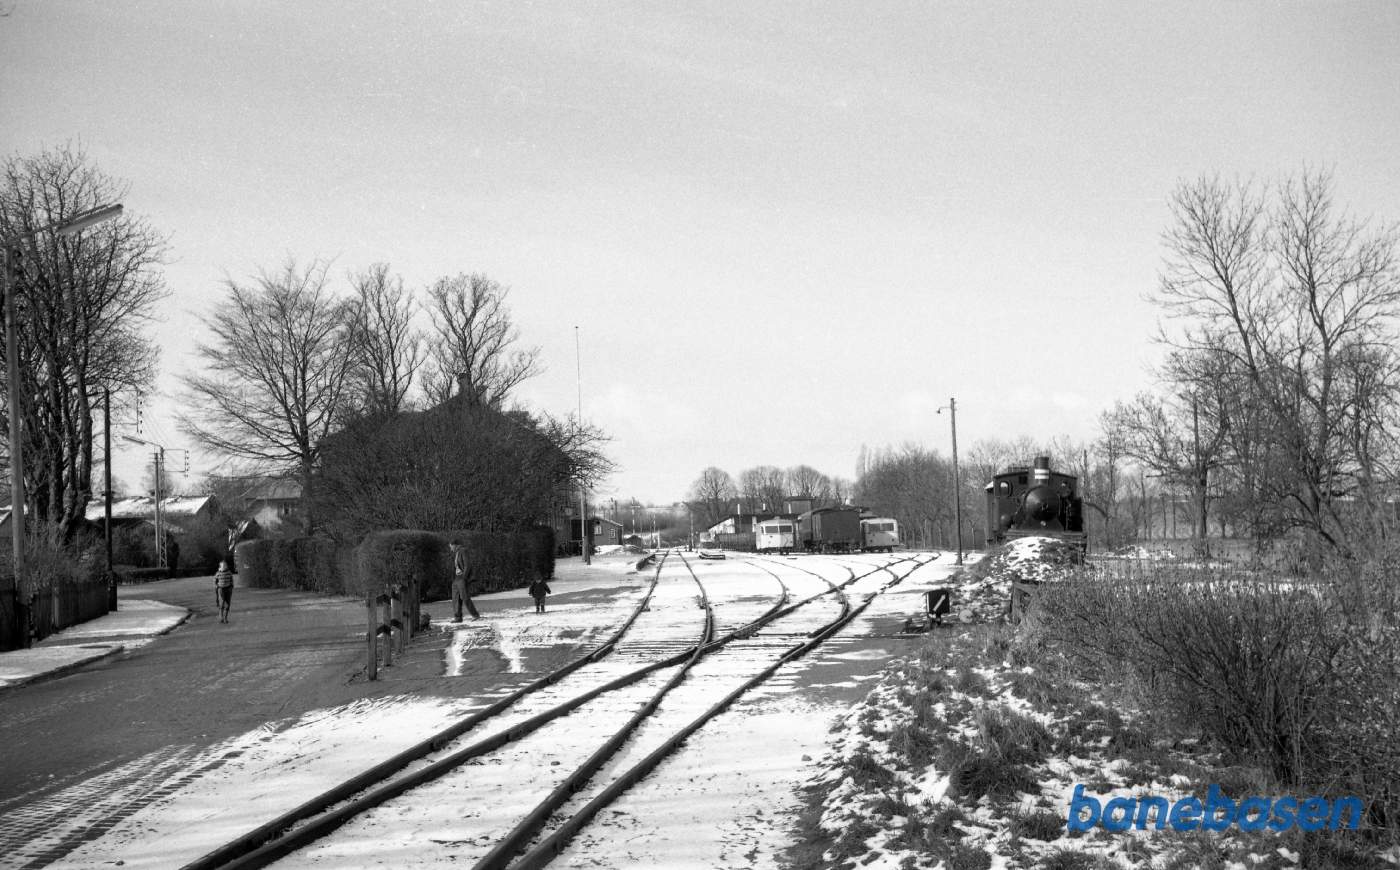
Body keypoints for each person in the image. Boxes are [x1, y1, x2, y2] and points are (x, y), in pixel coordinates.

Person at [449, 541, 480, 622]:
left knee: (465, 597)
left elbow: (467, 565)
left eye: (451, 546)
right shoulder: (456, 553)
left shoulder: (463, 551)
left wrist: (464, 577)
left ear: (455, 545)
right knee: (455, 598)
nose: (450, 548)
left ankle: (475, 615)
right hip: (456, 578)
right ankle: (458, 618)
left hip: (462, 578)